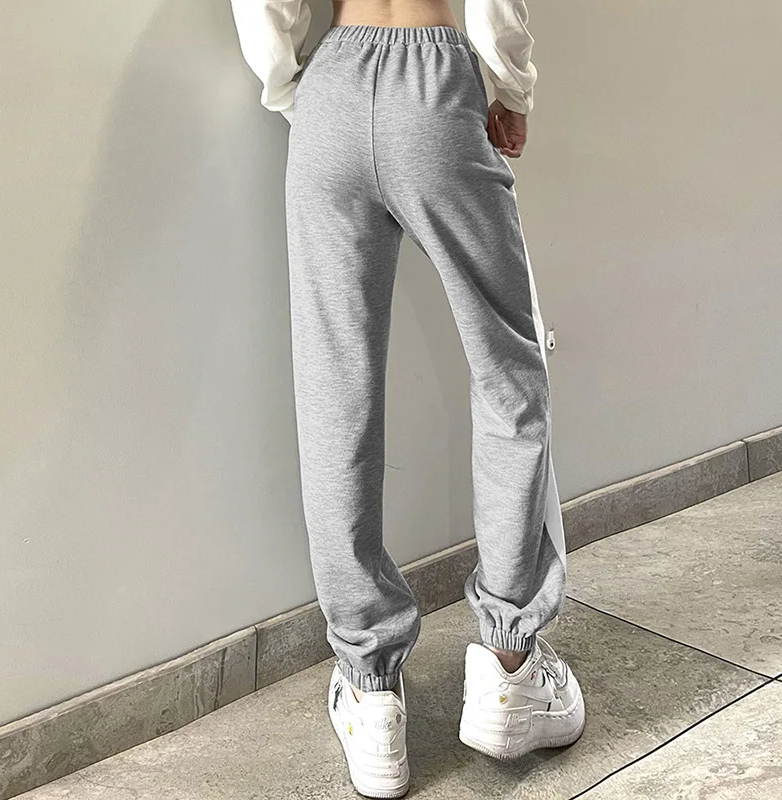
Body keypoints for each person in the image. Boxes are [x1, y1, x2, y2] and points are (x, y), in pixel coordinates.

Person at [229, 1, 585, 796]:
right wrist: (511, 88)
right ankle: (510, 667)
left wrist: (293, 87)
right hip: (437, 84)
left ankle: (371, 693)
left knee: (336, 392)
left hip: (331, 86)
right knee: (509, 369)